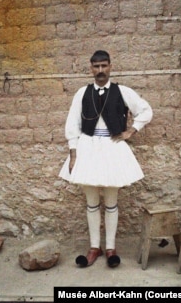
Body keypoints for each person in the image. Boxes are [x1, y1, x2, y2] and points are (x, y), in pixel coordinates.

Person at [59, 50, 153, 268]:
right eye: (96, 66)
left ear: (110, 66)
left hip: (113, 147)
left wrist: (132, 131)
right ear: (90, 68)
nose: (100, 70)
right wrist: (73, 153)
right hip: (87, 147)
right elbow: (72, 123)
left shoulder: (123, 91)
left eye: (104, 66)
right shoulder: (82, 93)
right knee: (91, 200)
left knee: (111, 200)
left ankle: (110, 248)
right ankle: (94, 247)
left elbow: (145, 111)